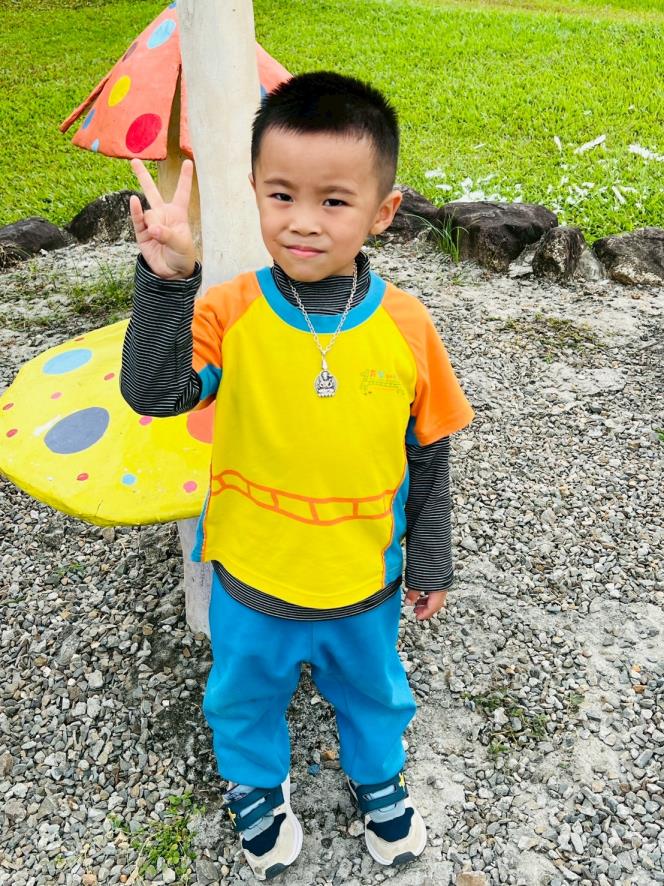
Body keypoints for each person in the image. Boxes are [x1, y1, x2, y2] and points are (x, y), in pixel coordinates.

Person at [120, 70, 474, 881]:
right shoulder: (231, 311)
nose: (303, 221)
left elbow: (428, 450)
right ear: (254, 191)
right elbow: (155, 392)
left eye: (334, 201)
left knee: (374, 690)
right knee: (243, 692)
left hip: (363, 577)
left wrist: (430, 557)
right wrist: (168, 282)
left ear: (382, 210)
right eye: (281, 195)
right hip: (252, 574)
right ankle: (255, 783)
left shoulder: (407, 325)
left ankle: (377, 776)